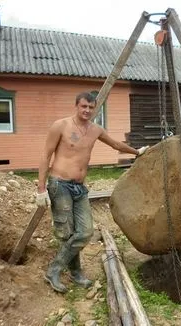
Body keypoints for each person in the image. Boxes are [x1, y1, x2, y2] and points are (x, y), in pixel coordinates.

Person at [36, 91, 149, 293]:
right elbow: (45, 156)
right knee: (66, 233)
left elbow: (115, 144)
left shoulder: (96, 129)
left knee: (85, 231)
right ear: (76, 106)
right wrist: (41, 189)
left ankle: (56, 269)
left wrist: (136, 152)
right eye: (84, 106)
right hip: (59, 184)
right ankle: (73, 272)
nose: (87, 110)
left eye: (91, 107)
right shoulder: (61, 126)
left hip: (79, 188)